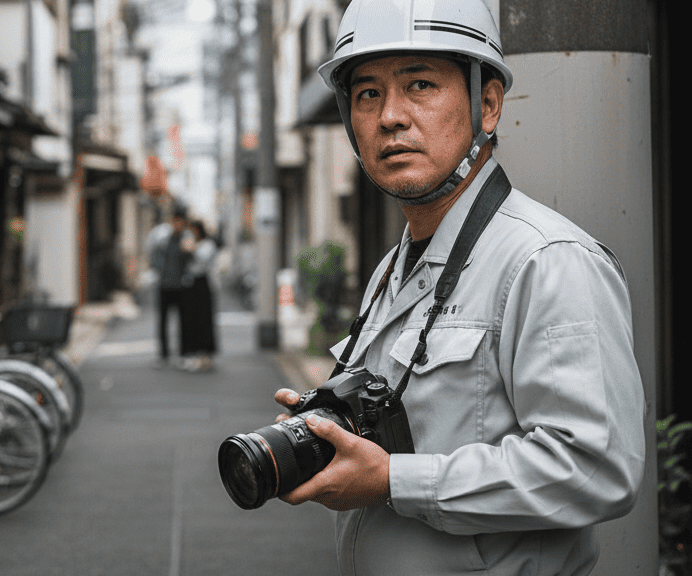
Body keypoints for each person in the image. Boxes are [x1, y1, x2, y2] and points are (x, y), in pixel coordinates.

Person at [271, 0, 646, 574]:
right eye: (367, 93)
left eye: (419, 84)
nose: (390, 116)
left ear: (488, 104)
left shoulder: (547, 261)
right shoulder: (391, 269)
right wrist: (323, 433)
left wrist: (393, 481)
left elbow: (596, 469)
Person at [148, 207, 192, 369]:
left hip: (182, 286)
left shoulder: (187, 240)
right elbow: (154, 256)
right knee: (163, 321)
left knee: (183, 322)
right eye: (176, 221)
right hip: (164, 285)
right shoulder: (163, 239)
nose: (178, 224)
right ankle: (164, 354)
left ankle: (183, 354)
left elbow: (192, 260)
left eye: (181, 221)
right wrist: (158, 272)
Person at [179, 220, 218, 372]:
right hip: (189, 283)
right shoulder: (189, 242)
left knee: (204, 319)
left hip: (203, 283)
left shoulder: (208, 245)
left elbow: (203, 258)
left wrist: (192, 248)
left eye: (194, 230)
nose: (193, 234)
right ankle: (192, 353)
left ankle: (206, 353)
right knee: (190, 319)